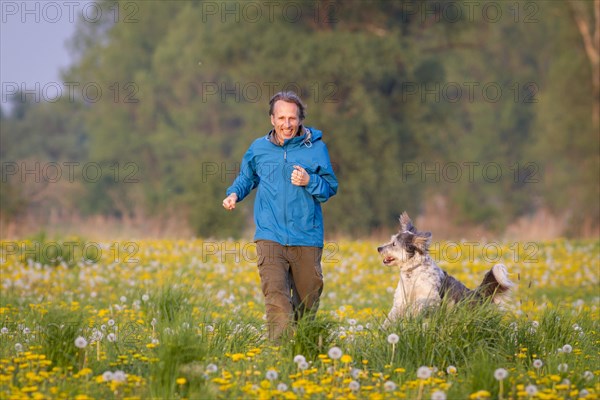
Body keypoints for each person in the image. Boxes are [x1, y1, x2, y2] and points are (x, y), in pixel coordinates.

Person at [222, 91, 338, 341]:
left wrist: (310, 181)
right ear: (272, 119)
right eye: (282, 118)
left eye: (292, 118)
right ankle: (281, 356)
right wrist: (234, 194)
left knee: (306, 305)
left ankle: (304, 350)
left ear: (300, 120)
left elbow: (330, 188)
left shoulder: (316, 149)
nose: (287, 124)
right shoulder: (259, 149)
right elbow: (246, 177)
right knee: (276, 300)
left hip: (306, 237)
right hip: (269, 235)